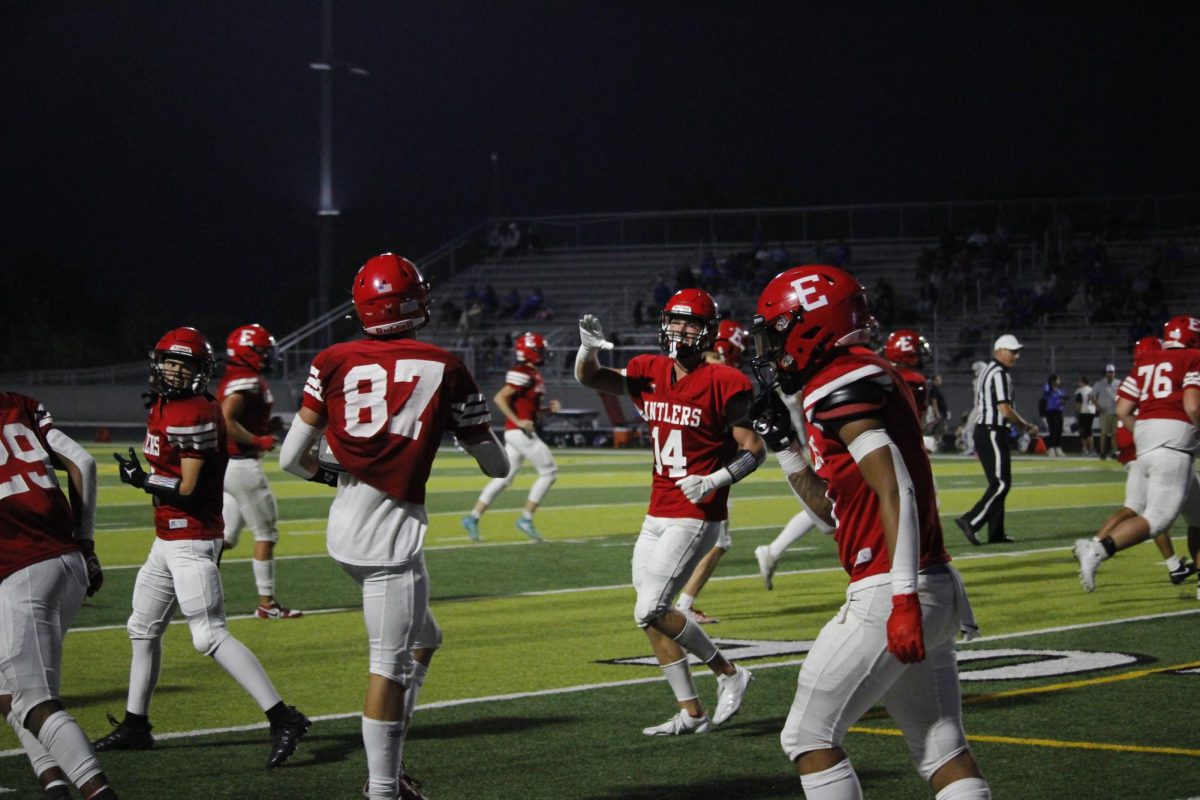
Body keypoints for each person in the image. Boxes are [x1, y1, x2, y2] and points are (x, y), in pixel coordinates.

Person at [749, 263, 988, 799]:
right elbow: (834, 513)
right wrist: (787, 449)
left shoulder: (840, 378)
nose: (771, 352)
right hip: (929, 581)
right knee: (940, 749)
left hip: (892, 587)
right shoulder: (860, 371)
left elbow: (895, 485)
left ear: (810, 325)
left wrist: (902, 598)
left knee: (808, 735)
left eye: (778, 334)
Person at [279, 254, 509, 800]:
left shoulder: (333, 357)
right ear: (408, 304)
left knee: (427, 637)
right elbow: (497, 466)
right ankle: (383, 788)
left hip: (345, 525)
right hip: (388, 537)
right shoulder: (444, 365)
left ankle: (391, 758)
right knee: (389, 667)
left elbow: (292, 459)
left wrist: (346, 467)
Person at [95, 327, 310, 769]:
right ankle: (137, 724)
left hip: (191, 534)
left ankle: (283, 717)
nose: (173, 370)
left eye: (184, 364)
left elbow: (189, 489)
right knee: (142, 628)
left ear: (200, 371)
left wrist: (143, 480)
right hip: (167, 537)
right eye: (169, 362)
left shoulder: (192, 412)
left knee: (208, 634)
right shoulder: (165, 403)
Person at [575, 289, 763, 736]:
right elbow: (592, 378)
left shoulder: (727, 381)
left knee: (651, 607)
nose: (680, 331)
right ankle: (691, 712)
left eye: (690, 324)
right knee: (649, 617)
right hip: (656, 509)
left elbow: (754, 450)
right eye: (674, 322)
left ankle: (730, 673)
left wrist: (715, 480)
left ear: (707, 331)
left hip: (695, 512)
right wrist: (586, 349)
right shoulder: (647, 369)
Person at [0, 392, 117, 800]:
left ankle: (97, 792)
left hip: (22, 567)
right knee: (6, 688)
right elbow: (83, 462)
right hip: (66, 560)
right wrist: (85, 542)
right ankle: (52, 781)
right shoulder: (20, 404)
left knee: (33, 700)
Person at [1074, 316, 1200, 594]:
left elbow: (1122, 409)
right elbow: (1192, 405)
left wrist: (1146, 434)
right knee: (1157, 520)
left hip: (1147, 441)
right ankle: (1099, 550)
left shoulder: (1147, 360)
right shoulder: (1193, 357)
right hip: (1174, 444)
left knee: (1198, 517)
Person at [219, 323, 301, 619]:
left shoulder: (242, 377)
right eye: (264, 350)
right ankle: (267, 604)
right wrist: (257, 439)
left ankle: (193, 583)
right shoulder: (247, 382)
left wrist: (268, 428)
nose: (270, 355)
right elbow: (225, 419)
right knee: (266, 534)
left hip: (229, 467)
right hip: (242, 467)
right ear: (249, 352)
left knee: (225, 538)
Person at [674, 318, 749, 623]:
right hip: (708, 473)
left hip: (677, 467)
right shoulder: (723, 379)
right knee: (717, 542)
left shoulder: (685, 371)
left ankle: (671, 601)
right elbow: (748, 444)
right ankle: (682, 605)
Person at [462, 331, 560, 543]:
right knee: (549, 472)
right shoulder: (522, 372)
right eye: (540, 350)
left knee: (505, 478)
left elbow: (527, 409)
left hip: (518, 432)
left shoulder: (532, 374)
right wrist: (518, 422)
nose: (544, 353)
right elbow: (500, 397)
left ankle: (472, 517)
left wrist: (545, 410)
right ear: (531, 351)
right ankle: (526, 518)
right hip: (519, 433)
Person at [955, 335, 1040, 545]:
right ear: (999, 351)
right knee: (1001, 484)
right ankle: (971, 520)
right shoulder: (999, 373)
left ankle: (996, 532)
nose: (1016, 356)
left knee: (997, 483)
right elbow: (1005, 410)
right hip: (992, 430)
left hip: (986, 431)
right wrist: (1027, 426)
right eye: (1013, 351)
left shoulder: (988, 371)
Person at [1093, 364, 1120, 459]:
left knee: (1114, 434)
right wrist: (1098, 407)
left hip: (1115, 412)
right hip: (1104, 412)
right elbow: (1092, 396)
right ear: (1106, 373)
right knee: (1103, 433)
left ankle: (1113, 452)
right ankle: (1102, 452)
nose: (1110, 374)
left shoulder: (1118, 383)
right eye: (1109, 372)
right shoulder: (1100, 383)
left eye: (1112, 372)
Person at [1041, 373, 1066, 457]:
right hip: (1051, 411)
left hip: (1059, 411)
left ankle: (1058, 447)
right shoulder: (1047, 387)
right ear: (1053, 381)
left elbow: (1062, 399)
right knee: (1053, 430)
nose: (1059, 381)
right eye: (1057, 379)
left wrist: (1063, 401)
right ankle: (1051, 448)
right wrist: (1051, 385)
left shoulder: (1060, 390)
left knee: (1059, 430)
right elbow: (1046, 393)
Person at [1074, 375, 1096, 456]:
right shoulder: (1092, 390)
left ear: (1083, 382)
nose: (1078, 383)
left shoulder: (1080, 391)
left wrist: (1077, 414)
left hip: (1083, 412)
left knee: (1083, 432)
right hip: (1091, 412)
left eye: (1079, 381)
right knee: (1089, 431)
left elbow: (1078, 404)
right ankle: (1091, 449)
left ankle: (1085, 448)